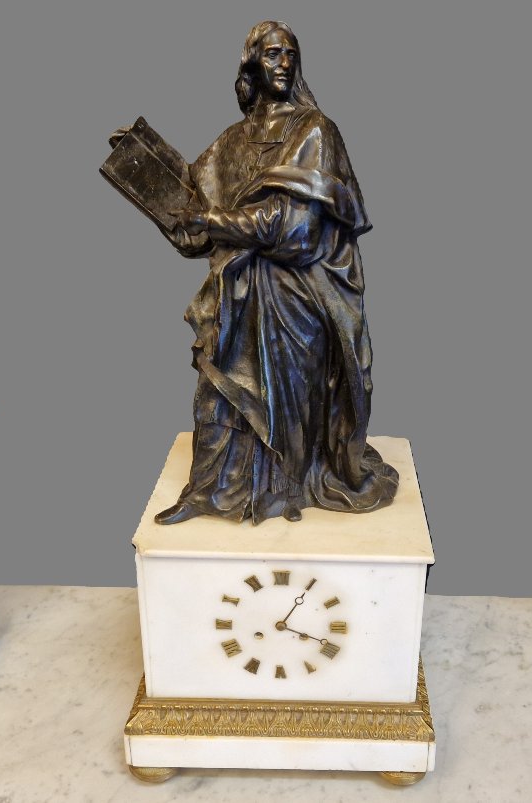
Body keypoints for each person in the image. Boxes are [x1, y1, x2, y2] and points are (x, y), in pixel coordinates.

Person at [151, 20, 398, 525]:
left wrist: (211, 220)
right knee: (218, 392)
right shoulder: (232, 141)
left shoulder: (315, 130)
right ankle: (210, 492)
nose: (283, 63)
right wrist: (146, 173)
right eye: (271, 54)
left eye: (290, 54)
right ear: (251, 66)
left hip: (296, 294)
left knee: (289, 404)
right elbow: (192, 223)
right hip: (238, 291)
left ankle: (284, 493)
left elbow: (296, 229)